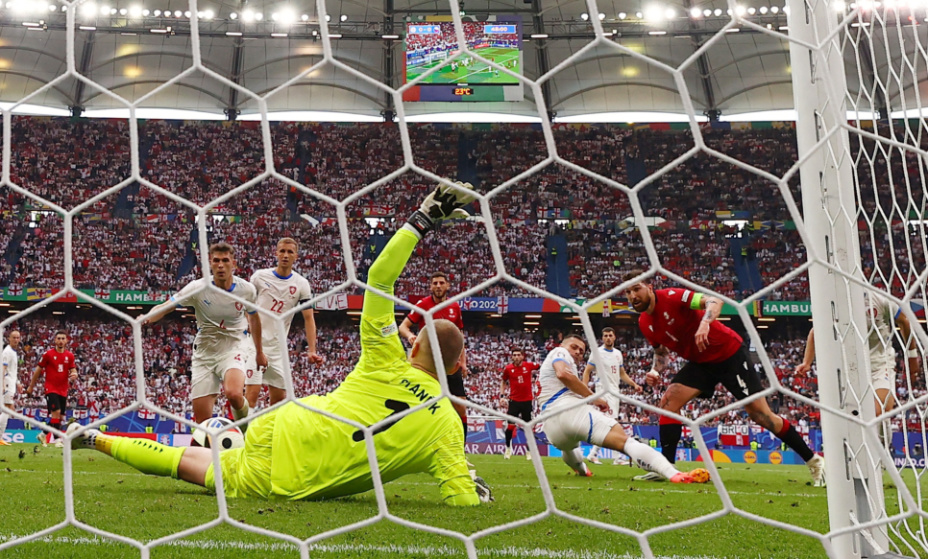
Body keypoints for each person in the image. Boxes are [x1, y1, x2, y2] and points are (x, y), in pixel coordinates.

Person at [68, 181, 492, 505]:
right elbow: (462, 501)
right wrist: (472, 490)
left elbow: (380, 279)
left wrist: (423, 218)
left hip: (285, 423)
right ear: (456, 367)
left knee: (194, 452)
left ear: (413, 344)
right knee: (192, 468)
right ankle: (196, 430)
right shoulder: (447, 427)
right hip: (292, 479)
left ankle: (99, 437)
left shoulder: (386, 356)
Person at [622, 272, 824, 485]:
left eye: (637, 289)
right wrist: (655, 371)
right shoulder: (645, 323)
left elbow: (714, 300)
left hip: (729, 354)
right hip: (701, 363)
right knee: (668, 402)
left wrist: (705, 323)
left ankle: (814, 461)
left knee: (761, 416)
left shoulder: (672, 296)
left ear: (650, 287)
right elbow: (661, 354)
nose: (632, 295)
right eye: (628, 292)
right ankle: (667, 468)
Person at [536, 333, 708, 483]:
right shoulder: (559, 352)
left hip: (551, 428)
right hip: (570, 411)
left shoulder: (603, 357)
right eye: (574, 347)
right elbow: (563, 374)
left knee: (569, 447)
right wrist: (594, 399)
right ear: (563, 345)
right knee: (626, 442)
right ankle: (674, 474)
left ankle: (582, 470)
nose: (578, 352)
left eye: (581, 351)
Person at [143, 242, 267, 431]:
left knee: (233, 393)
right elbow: (166, 306)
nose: (220, 265)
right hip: (205, 352)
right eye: (216, 260)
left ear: (233, 263)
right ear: (209, 263)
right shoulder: (197, 287)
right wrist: (145, 318)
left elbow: (254, 318)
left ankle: (246, 430)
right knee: (202, 423)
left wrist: (259, 351)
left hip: (234, 345)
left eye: (225, 260)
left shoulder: (246, 290)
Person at [796, 291, 919, 433]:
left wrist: (912, 357)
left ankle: (883, 440)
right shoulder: (836, 303)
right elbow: (815, 331)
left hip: (880, 365)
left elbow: (904, 321)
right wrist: (807, 363)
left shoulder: (880, 300)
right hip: (851, 367)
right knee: (851, 418)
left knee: (879, 411)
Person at [247, 237, 323, 409]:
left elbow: (309, 318)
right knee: (251, 395)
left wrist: (312, 350)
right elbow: (247, 306)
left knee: (280, 399)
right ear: (276, 254)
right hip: (254, 344)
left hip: (277, 348)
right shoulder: (259, 277)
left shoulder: (301, 284)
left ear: (296, 256)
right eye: (282, 251)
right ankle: (243, 434)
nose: (285, 255)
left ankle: (270, 434)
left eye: (290, 252)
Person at [399, 271, 469, 427]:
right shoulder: (423, 305)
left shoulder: (454, 306)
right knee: (425, 402)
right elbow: (403, 327)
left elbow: (460, 336)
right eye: (435, 283)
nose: (438, 286)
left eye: (441, 283)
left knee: (460, 406)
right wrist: (411, 336)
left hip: (449, 362)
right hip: (427, 362)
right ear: (430, 286)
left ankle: (461, 448)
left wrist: (463, 362)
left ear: (447, 285)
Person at [581, 327, 642, 465]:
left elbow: (622, 373)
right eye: (605, 336)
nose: (608, 338)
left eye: (610, 335)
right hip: (603, 391)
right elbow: (587, 371)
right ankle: (614, 458)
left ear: (614, 337)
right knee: (611, 423)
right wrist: (584, 390)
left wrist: (634, 385)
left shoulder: (618, 354)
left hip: (615, 392)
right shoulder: (597, 353)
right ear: (602, 338)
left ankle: (595, 454)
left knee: (608, 424)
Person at [26, 330, 77, 447]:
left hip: (63, 389)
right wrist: (31, 386)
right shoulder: (48, 354)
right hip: (51, 388)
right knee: (56, 413)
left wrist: (75, 374)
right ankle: (57, 439)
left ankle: (43, 434)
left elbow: (73, 369)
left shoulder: (69, 356)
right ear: (55, 340)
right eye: (58, 338)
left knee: (60, 417)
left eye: (63, 338)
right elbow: (38, 370)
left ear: (67, 341)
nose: (60, 341)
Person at [500, 348, 540, 460]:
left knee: (529, 427)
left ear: (522, 356)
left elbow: (542, 367)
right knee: (510, 427)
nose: (516, 357)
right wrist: (502, 396)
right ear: (512, 357)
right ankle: (508, 449)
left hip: (527, 401)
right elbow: (503, 381)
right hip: (514, 401)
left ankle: (528, 451)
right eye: (514, 355)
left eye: (518, 355)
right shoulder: (508, 369)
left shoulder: (529, 365)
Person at [0, 330, 21, 446]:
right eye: (14, 337)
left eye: (18, 338)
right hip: (7, 383)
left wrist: (18, 383)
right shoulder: (7, 352)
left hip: (11, 383)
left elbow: (12, 370)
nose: (16, 340)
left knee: (7, 410)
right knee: (6, 409)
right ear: (9, 338)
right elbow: (2, 369)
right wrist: (2, 385)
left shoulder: (13, 352)